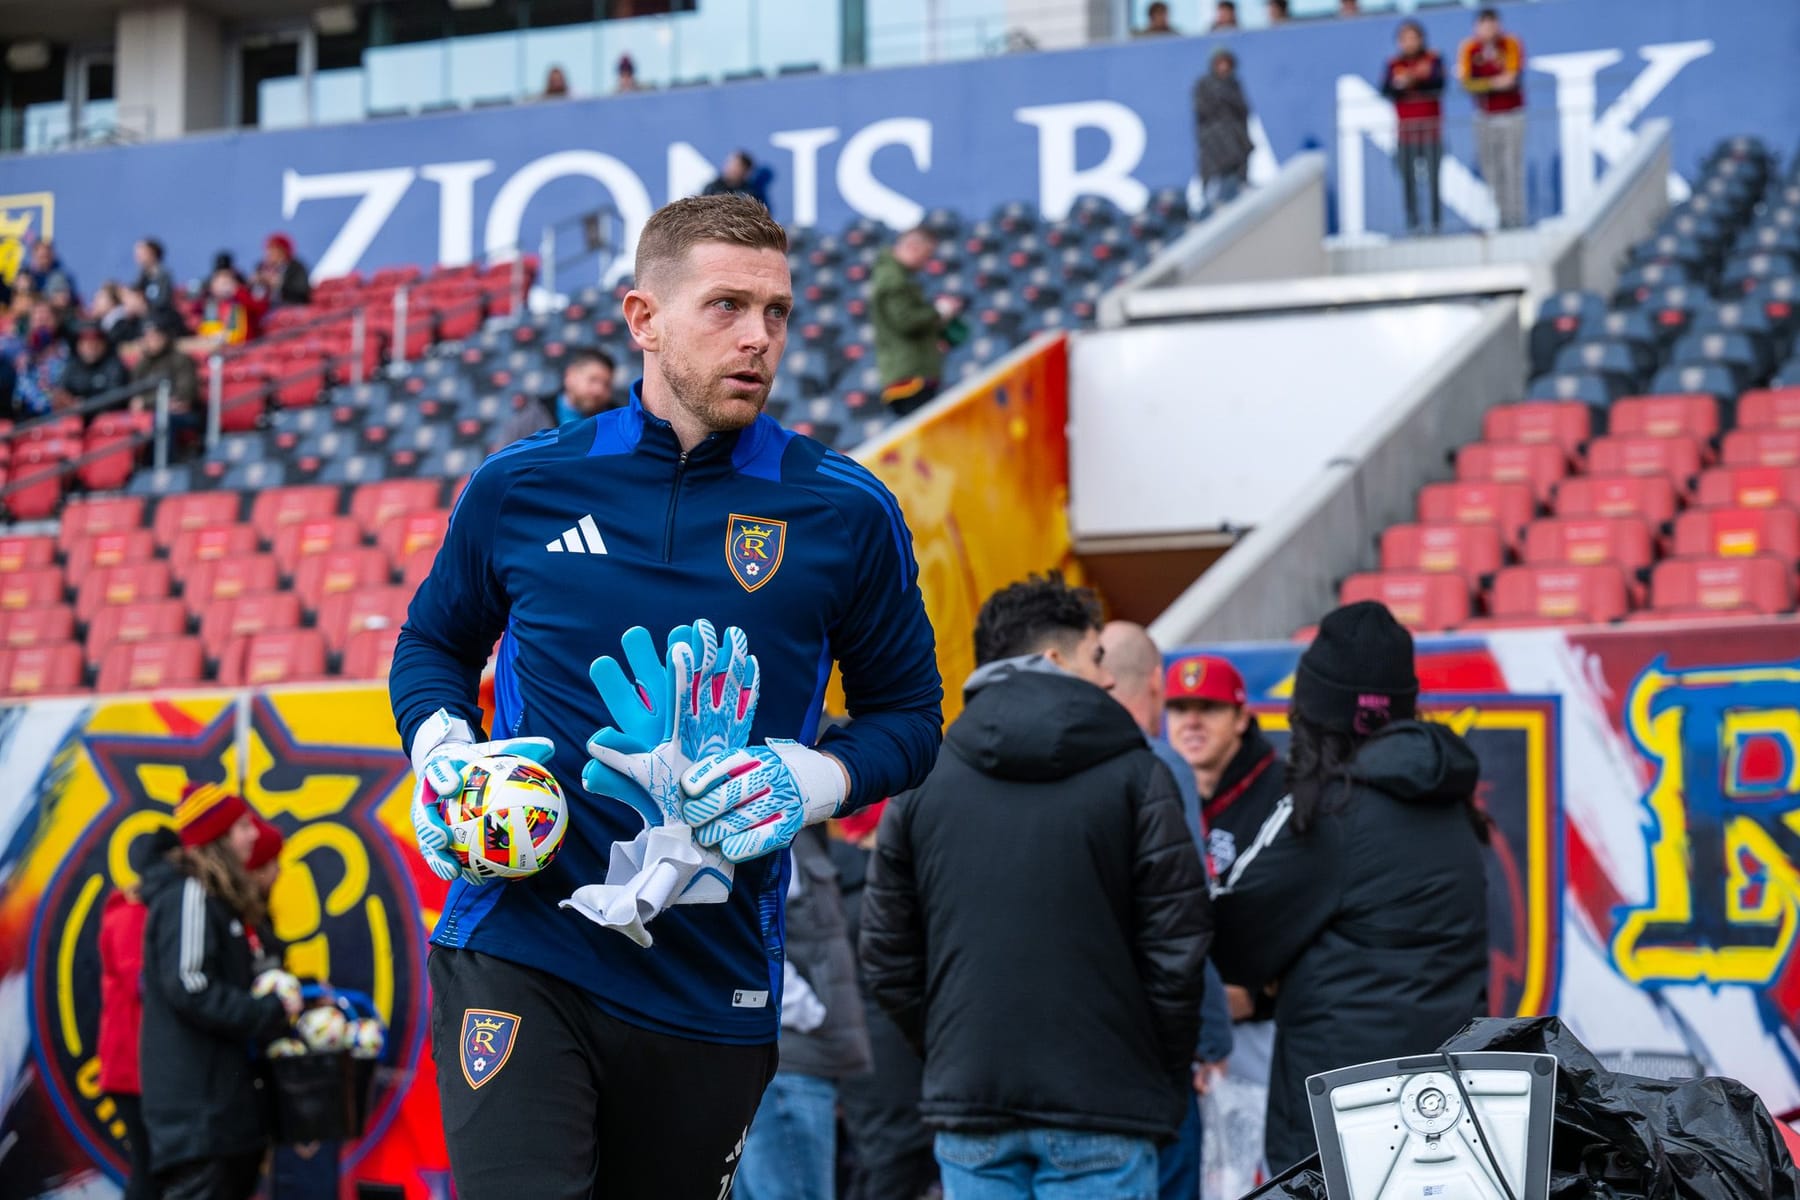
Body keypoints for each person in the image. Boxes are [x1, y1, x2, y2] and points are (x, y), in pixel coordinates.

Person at [389, 192, 943, 1199]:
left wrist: (809, 776)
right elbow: (431, 641)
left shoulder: (847, 511)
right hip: (521, 937)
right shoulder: (523, 486)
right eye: (726, 306)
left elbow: (912, 721)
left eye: (776, 312)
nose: (758, 338)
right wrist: (441, 757)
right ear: (643, 319)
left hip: (710, 976)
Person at [860, 573, 1211, 1200]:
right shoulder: (1139, 775)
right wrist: (1153, 1065)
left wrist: (952, 1046)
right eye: (1096, 656)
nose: (1107, 677)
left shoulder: (923, 783)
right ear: (1054, 659)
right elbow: (1177, 950)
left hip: (973, 1103)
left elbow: (888, 958)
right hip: (1103, 1102)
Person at [1208, 601, 1490, 1174]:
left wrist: (1272, 981)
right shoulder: (1451, 802)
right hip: (1440, 1114)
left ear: (1312, 715)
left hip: (1340, 1125)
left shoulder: (1332, 813)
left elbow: (1231, 945)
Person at [1098, 623, 1235, 1200]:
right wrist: (1210, 1036)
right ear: (1156, 683)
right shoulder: (1159, 764)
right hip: (1151, 1041)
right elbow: (1179, 911)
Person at [140, 782, 298, 1200]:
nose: (252, 834)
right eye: (243, 825)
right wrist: (267, 1010)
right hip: (197, 1117)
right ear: (217, 838)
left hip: (224, 1115)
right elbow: (191, 985)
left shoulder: (218, 898)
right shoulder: (190, 893)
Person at [1161, 652, 1283, 1113]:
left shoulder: (1283, 790)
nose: (1191, 722)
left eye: (1208, 708)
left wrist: (1260, 991)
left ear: (1240, 718)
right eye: (1178, 708)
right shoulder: (1154, 786)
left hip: (1263, 1029)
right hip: (1179, 1030)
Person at [734, 825, 873, 1200]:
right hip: (789, 1063)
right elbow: (750, 932)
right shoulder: (771, 829)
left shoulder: (801, 832)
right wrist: (812, 1016)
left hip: (788, 1059)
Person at [831, 805, 939, 1200]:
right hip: (891, 1054)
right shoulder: (887, 887)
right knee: (894, 1166)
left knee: (882, 1164)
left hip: (864, 1056)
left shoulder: (835, 880)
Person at [99, 826, 180, 1200]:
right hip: (133, 1068)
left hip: (140, 1066)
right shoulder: (132, 916)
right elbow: (142, 983)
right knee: (150, 1171)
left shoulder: (135, 912)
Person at [871, 227, 960, 418]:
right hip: (910, 377)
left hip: (908, 372)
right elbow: (906, 321)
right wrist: (940, 312)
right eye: (927, 255)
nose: (926, 263)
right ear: (913, 247)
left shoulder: (893, 275)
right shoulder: (892, 277)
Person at [1458, 7, 1527, 229]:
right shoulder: (1469, 48)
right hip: (1484, 116)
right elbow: (1466, 83)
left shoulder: (1510, 43)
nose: (1489, 30)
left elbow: (1511, 78)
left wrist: (1487, 83)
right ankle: (1502, 217)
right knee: (1491, 170)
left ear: (1499, 25)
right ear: (1477, 27)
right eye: (1484, 25)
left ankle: (1516, 219)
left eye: (1492, 24)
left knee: (1512, 168)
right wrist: (1493, 83)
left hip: (1511, 113)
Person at [1384, 20, 1446, 234]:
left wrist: (1413, 79)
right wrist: (1410, 79)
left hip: (1431, 132)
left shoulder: (1433, 59)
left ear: (1421, 39)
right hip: (1406, 134)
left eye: (1413, 37)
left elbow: (1437, 84)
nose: (1409, 43)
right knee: (1408, 181)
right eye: (1405, 39)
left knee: (1434, 180)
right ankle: (1413, 224)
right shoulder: (1394, 64)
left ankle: (1436, 224)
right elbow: (1388, 90)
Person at [491, 346, 617, 449]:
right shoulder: (531, 417)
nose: (599, 390)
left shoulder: (618, 422)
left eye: (606, 384)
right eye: (593, 380)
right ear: (570, 375)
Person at [1193, 48, 1254, 213]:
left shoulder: (1234, 86)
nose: (1224, 68)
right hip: (1214, 154)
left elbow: (1243, 111)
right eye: (1220, 63)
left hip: (1236, 152)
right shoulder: (1204, 85)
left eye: (1227, 63)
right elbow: (1203, 111)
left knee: (1236, 196)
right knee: (1213, 197)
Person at [132, 310, 200, 416]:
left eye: (155, 336)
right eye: (147, 337)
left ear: (165, 336)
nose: (151, 341)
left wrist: (147, 402)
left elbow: (184, 394)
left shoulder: (180, 359)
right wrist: (154, 403)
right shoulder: (142, 364)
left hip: (180, 415)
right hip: (151, 414)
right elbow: (135, 398)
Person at [11, 300, 68, 417]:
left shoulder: (66, 351)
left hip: (61, 416)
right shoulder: (21, 352)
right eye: (37, 319)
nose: (41, 324)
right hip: (27, 418)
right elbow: (21, 392)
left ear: (56, 321)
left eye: (46, 319)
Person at [62, 320, 131, 404]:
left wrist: (85, 404)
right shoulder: (72, 366)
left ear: (104, 344)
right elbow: (62, 392)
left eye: (95, 342)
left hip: (106, 414)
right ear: (78, 346)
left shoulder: (114, 366)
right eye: (86, 342)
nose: (91, 347)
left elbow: (115, 398)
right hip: (75, 414)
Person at [196, 266, 260, 346]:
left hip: (239, 349)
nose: (222, 287)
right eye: (219, 283)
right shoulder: (211, 306)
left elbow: (236, 335)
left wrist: (238, 291)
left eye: (226, 283)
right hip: (215, 345)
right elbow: (206, 329)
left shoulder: (238, 304)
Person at [703, 150, 775, 212]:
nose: (729, 167)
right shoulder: (711, 188)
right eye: (729, 163)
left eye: (735, 165)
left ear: (745, 171)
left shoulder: (752, 194)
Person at [255, 234, 312, 308]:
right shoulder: (261, 266)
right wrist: (256, 281)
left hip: (291, 307)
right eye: (268, 249)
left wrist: (279, 284)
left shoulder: (295, 267)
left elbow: (302, 291)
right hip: (267, 308)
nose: (269, 253)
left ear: (283, 251)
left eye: (273, 250)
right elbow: (255, 294)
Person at [134, 237, 178, 314]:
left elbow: (162, 302)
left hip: (161, 318)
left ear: (152, 253)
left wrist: (144, 307)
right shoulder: (142, 276)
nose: (137, 257)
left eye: (141, 253)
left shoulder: (163, 276)